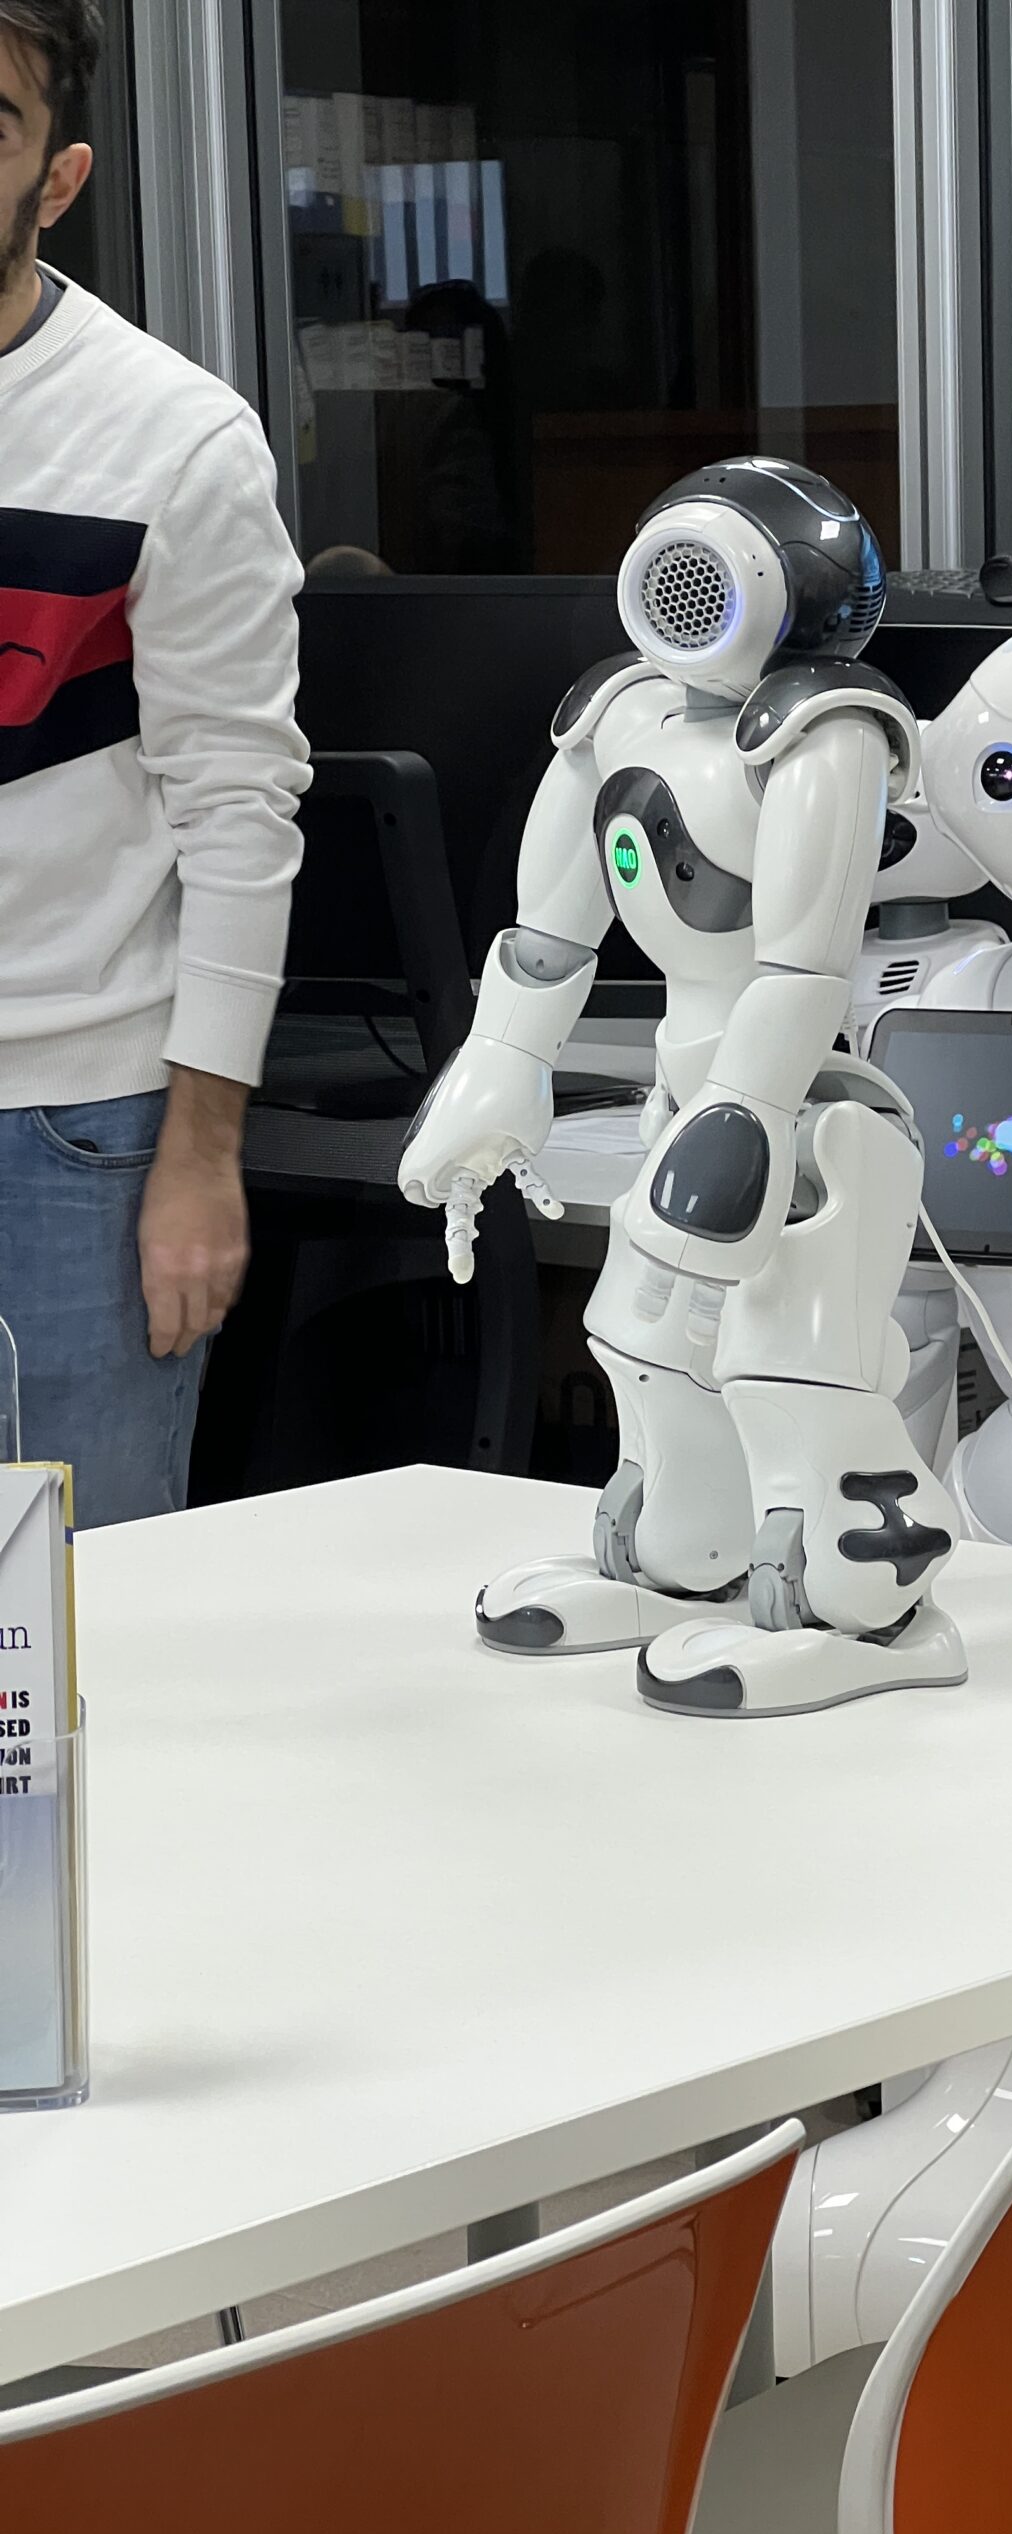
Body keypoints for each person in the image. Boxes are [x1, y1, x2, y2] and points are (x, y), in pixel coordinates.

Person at [0, 0, 309, 1524]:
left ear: (57, 180)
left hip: (71, 1130)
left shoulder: (171, 438)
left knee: (92, 1609)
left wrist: (201, 1155)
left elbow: (240, 813)